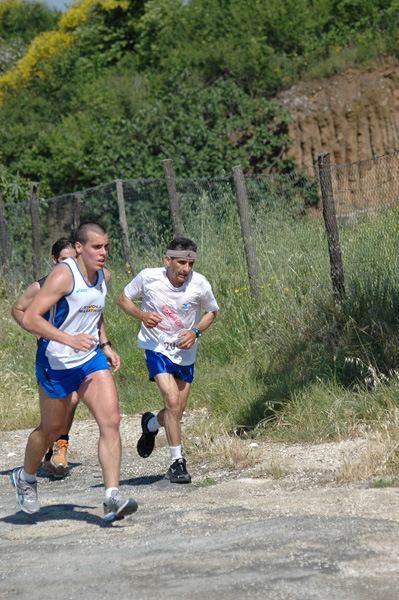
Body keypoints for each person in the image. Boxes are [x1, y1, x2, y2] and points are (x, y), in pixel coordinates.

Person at [10, 222, 138, 522]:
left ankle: (111, 497)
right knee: (51, 430)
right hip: (55, 361)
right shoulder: (63, 275)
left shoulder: (104, 276)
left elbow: (94, 310)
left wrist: (105, 345)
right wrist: (69, 340)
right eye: (97, 247)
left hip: (89, 359)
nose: (103, 252)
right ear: (79, 247)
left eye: (106, 246)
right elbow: (29, 317)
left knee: (111, 420)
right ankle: (26, 478)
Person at [117, 237, 219, 484]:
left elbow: (211, 311)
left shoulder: (200, 284)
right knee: (172, 400)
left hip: (185, 351)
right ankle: (177, 462)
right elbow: (122, 299)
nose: (186, 269)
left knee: (177, 411)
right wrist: (141, 314)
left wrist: (195, 332)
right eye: (181, 262)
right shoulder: (149, 277)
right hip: (157, 347)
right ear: (168, 260)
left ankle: (151, 425)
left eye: (190, 263)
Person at [11, 237, 78, 479]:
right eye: (63, 260)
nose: (68, 264)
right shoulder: (40, 287)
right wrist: (39, 333)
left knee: (74, 399)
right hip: (52, 355)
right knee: (64, 403)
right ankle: (50, 449)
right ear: (53, 261)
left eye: (73, 259)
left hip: (79, 352)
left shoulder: (81, 284)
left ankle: (60, 448)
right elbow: (18, 309)